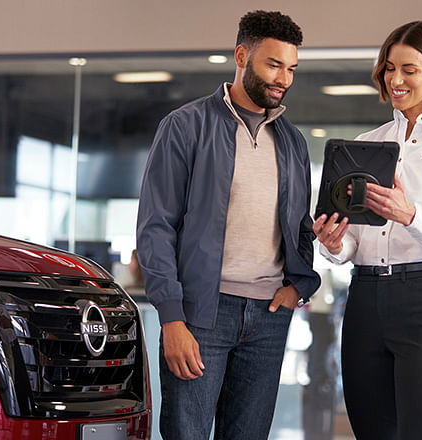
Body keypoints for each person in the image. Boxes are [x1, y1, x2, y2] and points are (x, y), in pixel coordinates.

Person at [136, 10, 321, 440]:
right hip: (201, 315)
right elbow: (154, 228)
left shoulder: (292, 140)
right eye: (274, 65)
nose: (283, 79)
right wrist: (171, 319)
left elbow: (301, 227)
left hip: (269, 318)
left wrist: (299, 286)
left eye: (291, 68)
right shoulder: (185, 126)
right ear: (242, 55)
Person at [313, 21, 422, 440]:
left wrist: (410, 215)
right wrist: (335, 245)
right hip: (363, 299)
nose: (395, 79)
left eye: (409, 69)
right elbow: (353, 241)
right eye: (389, 68)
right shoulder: (366, 141)